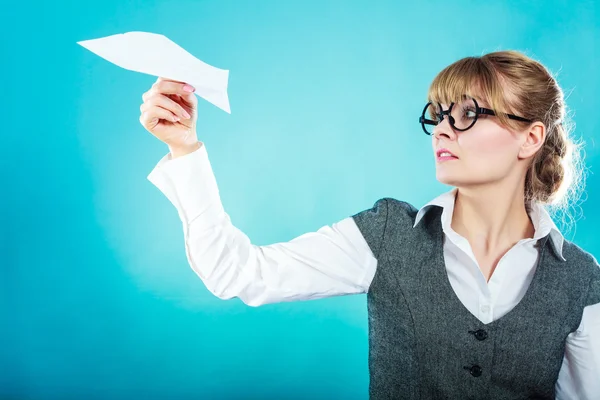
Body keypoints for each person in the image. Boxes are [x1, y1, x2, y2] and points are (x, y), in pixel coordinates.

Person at [139, 50, 600, 399]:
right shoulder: (387, 235)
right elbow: (236, 272)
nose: (442, 129)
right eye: (438, 115)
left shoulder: (582, 281)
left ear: (531, 138)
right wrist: (185, 149)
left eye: (468, 115)